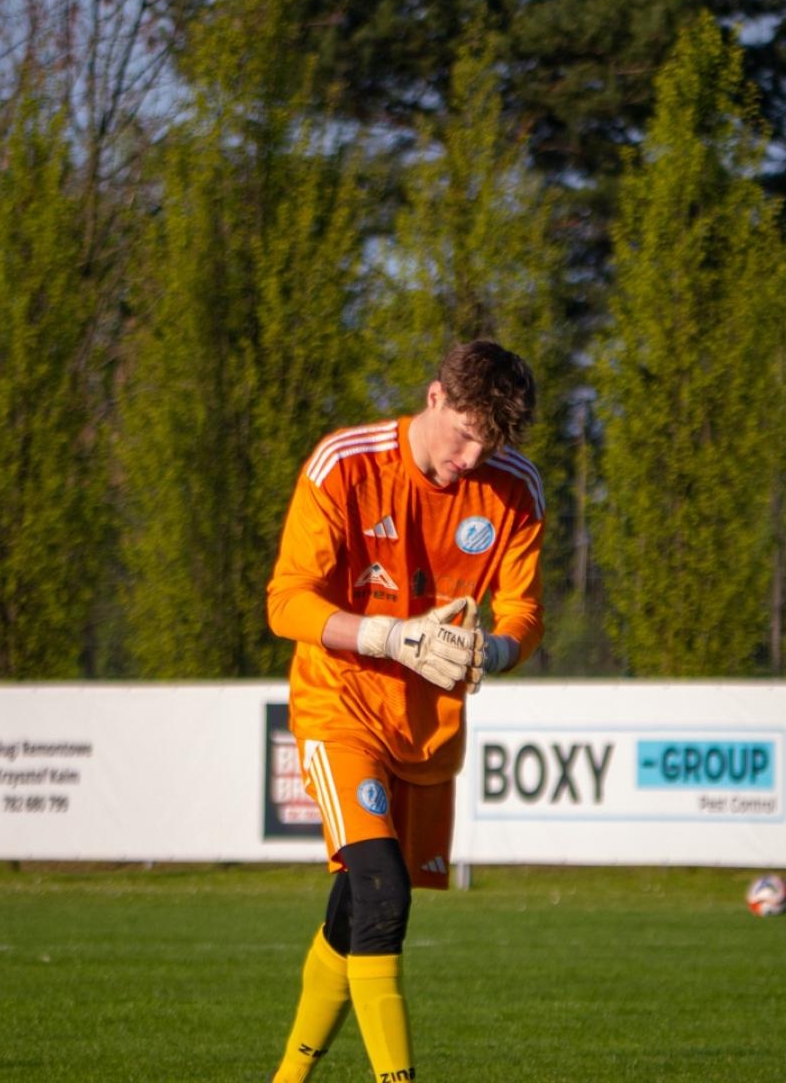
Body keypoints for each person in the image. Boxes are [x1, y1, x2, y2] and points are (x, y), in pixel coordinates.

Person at [267, 340, 545, 1081]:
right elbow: (286, 603)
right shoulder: (345, 464)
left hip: (425, 730)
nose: (473, 457)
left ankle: (287, 1079)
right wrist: (389, 635)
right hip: (340, 705)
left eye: (491, 443)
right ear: (434, 399)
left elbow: (522, 610)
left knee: (355, 904)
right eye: (465, 434)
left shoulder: (515, 489)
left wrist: (497, 652)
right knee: (384, 892)